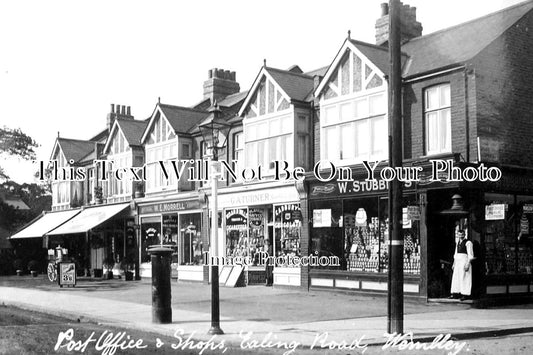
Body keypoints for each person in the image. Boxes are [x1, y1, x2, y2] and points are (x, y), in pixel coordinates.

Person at [450, 229, 475, 301]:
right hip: (458, 262)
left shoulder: (468, 242)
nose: (460, 236)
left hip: (464, 261)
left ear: (464, 235)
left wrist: (468, 263)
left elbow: (470, 254)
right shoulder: (457, 242)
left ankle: (465, 294)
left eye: (462, 235)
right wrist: (454, 263)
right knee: (457, 277)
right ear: (457, 235)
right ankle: (456, 293)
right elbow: (455, 254)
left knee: (464, 278)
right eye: (459, 235)